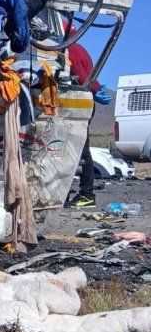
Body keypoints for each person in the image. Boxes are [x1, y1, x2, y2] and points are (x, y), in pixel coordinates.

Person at [66, 26, 112, 208]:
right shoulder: (80, 48)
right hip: (84, 101)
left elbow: (83, 78)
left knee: (78, 149)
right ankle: (79, 193)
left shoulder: (71, 50)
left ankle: (87, 194)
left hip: (79, 102)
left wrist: (93, 89)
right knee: (76, 148)